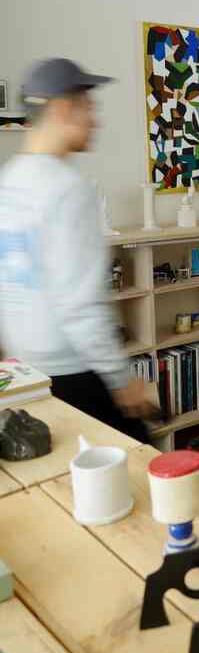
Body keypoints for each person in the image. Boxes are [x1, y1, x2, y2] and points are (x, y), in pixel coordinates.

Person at [0, 58, 151, 440]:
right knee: (140, 476)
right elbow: (80, 302)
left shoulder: (7, 183)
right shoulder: (68, 189)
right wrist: (122, 380)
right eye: (89, 107)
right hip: (78, 373)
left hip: (27, 374)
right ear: (63, 108)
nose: (95, 120)